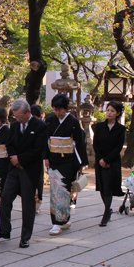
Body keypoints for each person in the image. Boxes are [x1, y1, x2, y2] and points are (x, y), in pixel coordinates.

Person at [0, 99, 48, 248]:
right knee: (5, 198)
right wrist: (13, 158)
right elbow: (10, 144)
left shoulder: (40, 126)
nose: (17, 118)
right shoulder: (14, 126)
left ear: (28, 113)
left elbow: (38, 149)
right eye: (15, 116)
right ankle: (4, 231)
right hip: (14, 169)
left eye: (19, 116)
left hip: (30, 170)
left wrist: (20, 159)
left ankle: (25, 236)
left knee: (28, 204)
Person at [44, 93, 88, 235]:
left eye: (60, 109)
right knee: (54, 191)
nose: (58, 112)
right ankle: (56, 222)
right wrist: (46, 157)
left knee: (64, 190)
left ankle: (62, 219)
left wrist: (81, 163)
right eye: (55, 109)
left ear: (66, 108)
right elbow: (46, 140)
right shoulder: (50, 120)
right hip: (54, 159)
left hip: (68, 161)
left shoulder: (73, 122)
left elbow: (80, 143)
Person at [93, 101, 126, 227]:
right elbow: (96, 144)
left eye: (112, 111)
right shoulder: (99, 127)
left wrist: (107, 160)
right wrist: (101, 159)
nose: (109, 113)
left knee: (108, 188)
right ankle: (108, 209)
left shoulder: (121, 129)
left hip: (112, 162)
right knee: (102, 187)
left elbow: (118, 148)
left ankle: (106, 213)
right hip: (100, 161)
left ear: (117, 113)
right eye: (108, 110)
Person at [30, 104, 46, 213]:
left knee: (38, 181)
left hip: (39, 158)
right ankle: (33, 202)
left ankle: (37, 201)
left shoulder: (42, 126)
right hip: (31, 158)